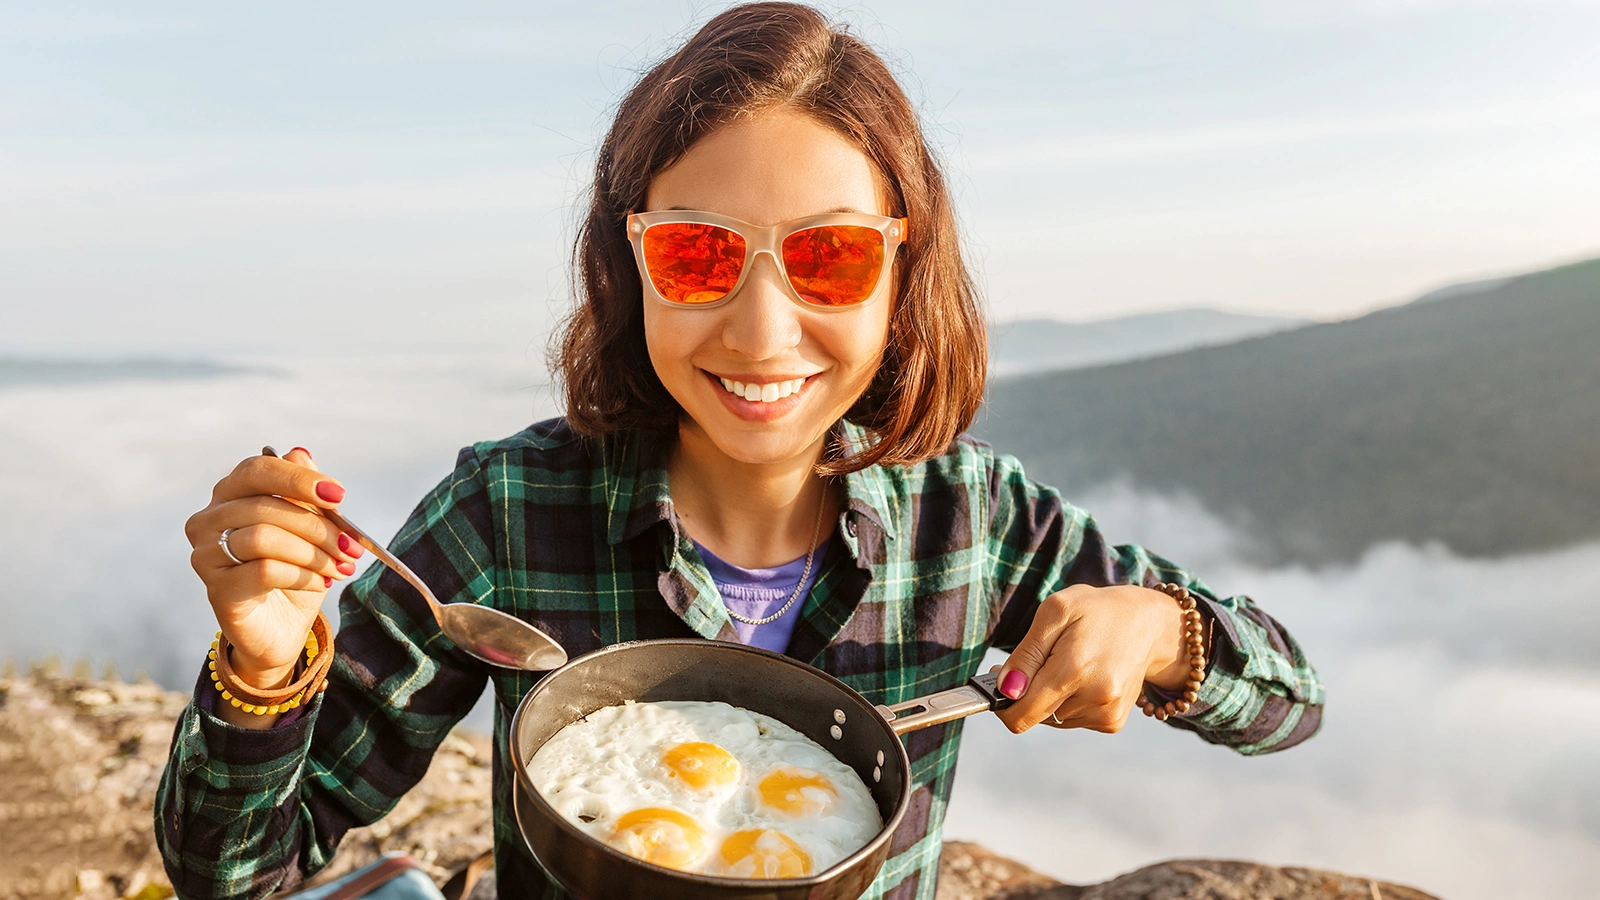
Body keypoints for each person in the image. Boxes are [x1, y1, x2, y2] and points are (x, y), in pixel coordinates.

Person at [156, 4, 1324, 899]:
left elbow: (1288, 697)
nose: (763, 329)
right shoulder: (508, 511)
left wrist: (1164, 634)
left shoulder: (974, 522)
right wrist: (263, 667)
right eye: (701, 258)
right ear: (630, 271)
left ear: (901, 275)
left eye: (828, 260)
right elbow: (240, 874)